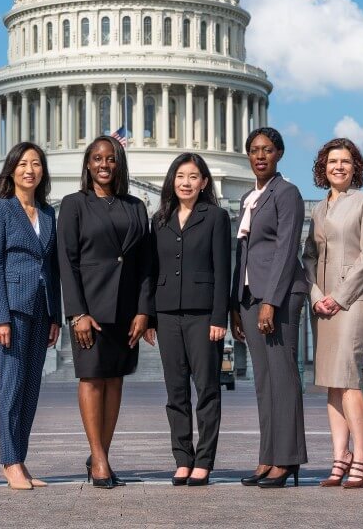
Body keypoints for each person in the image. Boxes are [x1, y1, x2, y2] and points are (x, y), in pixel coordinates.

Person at [57, 136, 152, 489]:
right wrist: (77, 312)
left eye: (110, 158)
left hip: (126, 310)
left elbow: (145, 264)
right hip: (91, 309)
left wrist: (144, 312)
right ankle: (98, 459)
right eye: (97, 158)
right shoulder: (73, 205)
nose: (104, 164)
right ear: (87, 163)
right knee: (92, 379)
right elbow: (66, 262)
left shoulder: (136, 206)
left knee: (115, 381)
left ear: (119, 164)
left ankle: (101, 456)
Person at [230, 127, 308, 489]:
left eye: (267, 150)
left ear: (279, 154)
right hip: (251, 297)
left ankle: (287, 459)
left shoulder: (286, 193)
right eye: (254, 150)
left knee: (284, 379)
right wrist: (237, 303)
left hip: (277, 297)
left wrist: (270, 302)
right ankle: (267, 456)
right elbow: (244, 255)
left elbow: (286, 248)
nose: (260, 156)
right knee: (264, 382)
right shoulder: (250, 196)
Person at [303, 137, 363, 489]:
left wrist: (339, 296)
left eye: (346, 161)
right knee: (331, 384)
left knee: (349, 378)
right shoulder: (318, 210)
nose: (339, 166)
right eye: (332, 161)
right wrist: (317, 295)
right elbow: (308, 257)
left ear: (356, 168)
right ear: (323, 168)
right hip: (323, 303)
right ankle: (340, 458)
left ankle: (362, 456)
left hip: (353, 300)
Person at [0, 142, 62, 490]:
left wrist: (55, 314)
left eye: (36, 164)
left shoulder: (47, 213)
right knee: (11, 388)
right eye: (23, 164)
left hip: (41, 308)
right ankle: (9, 460)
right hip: (11, 309)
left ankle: (21, 460)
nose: (30, 170)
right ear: (11, 169)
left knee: (30, 390)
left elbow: (52, 268)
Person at [148, 153, 230, 486]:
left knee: (207, 389)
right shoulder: (160, 218)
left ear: (204, 182)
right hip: (167, 313)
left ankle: (205, 460)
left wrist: (218, 316)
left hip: (202, 314)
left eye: (193, 176)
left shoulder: (216, 217)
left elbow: (223, 269)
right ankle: (183, 458)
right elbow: (151, 270)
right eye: (181, 176)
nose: (186, 182)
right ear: (172, 180)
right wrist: (151, 317)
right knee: (175, 391)